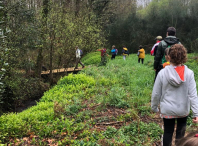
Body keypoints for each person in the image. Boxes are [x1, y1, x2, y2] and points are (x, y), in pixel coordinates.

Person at [151, 44, 198, 146]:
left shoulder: (162, 73)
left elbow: (156, 93)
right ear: (184, 56)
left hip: (167, 109)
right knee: (180, 134)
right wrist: (196, 113)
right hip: (183, 109)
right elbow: (193, 94)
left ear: (169, 56)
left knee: (168, 132)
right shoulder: (189, 73)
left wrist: (154, 107)